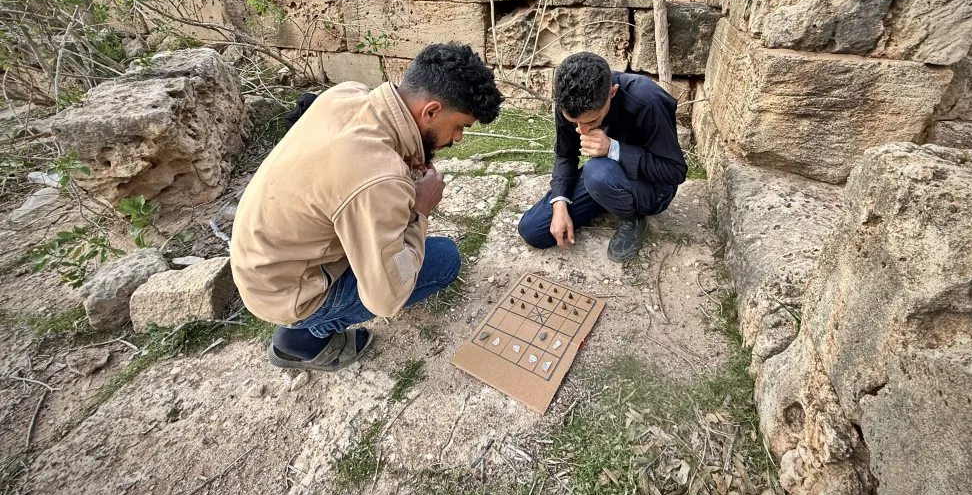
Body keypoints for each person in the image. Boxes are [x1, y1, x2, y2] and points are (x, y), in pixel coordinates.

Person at [230, 42, 504, 371]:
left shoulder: (345, 94)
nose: (458, 137)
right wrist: (420, 209)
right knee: (443, 260)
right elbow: (386, 298)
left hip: (259, 262)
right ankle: (305, 335)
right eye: (459, 126)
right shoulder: (379, 181)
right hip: (285, 291)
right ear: (430, 112)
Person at [517, 52, 687, 262]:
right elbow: (565, 154)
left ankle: (632, 217)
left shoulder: (647, 99)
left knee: (596, 171)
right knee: (533, 229)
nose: (581, 129)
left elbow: (674, 172)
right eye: (574, 122)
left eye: (592, 120)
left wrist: (613, 149)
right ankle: (607, 194)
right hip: (605, 178)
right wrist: (559, 203)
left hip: (652, 188)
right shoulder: (567, 101)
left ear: (612, 93)